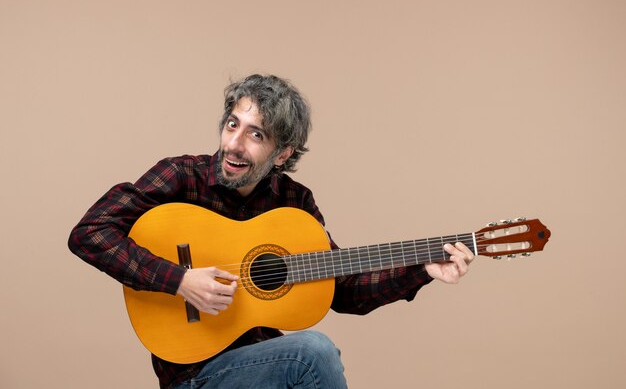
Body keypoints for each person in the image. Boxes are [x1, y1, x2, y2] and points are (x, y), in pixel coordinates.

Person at [68, 74, 474, 389]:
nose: (235, 144)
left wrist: (422, 268)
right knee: (312, 353)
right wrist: (181, 281)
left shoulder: (294, 203)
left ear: (283, 153)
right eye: (232, 125)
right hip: (193, 375)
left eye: (256, 134)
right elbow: (91, 232)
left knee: (306, 358)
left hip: (268, 369)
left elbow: (344, 290)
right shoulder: (180, 177)